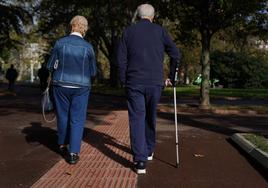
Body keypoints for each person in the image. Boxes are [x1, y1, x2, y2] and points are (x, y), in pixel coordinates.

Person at [117, 4, 180, 174]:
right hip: (154, 82)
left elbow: (121, 59)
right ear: (153, 16)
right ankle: (148, 150)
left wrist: (124, 80)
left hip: (134, 82)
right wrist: (172, 77)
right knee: (150, 116)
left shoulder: (128, 32)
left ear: (138, 15)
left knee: (137, 118)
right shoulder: (160, 31)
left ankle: (140, 161)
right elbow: (175, 53)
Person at [47, 15, 97, 164]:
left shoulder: (60, 43)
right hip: (81, 87)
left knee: (63, 115)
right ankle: (74, 152)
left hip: (60, 85)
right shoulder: (88, 47)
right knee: (77, 118)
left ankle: (62, 144)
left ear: (71, 26)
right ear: (84, 28)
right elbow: (93, 71)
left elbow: (50, 65)